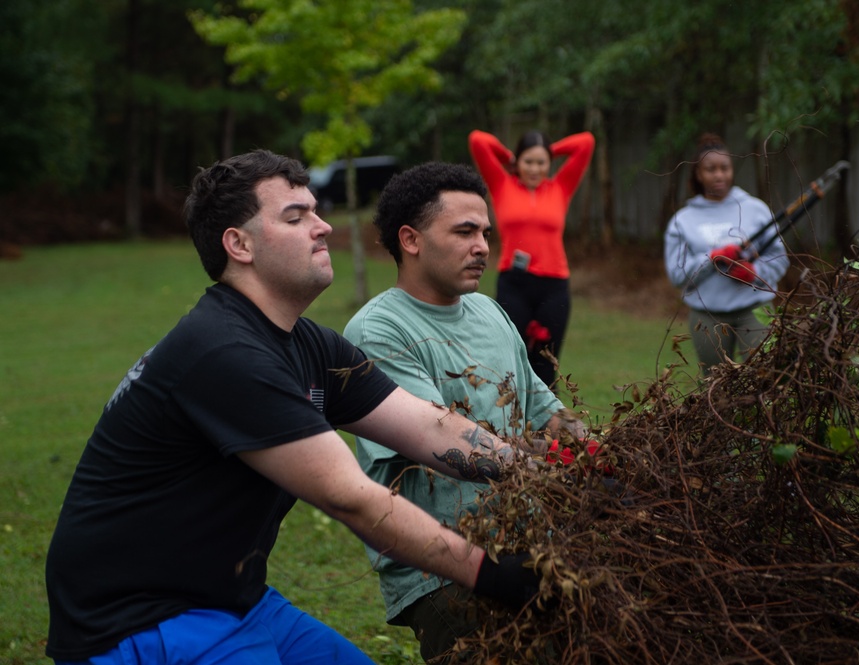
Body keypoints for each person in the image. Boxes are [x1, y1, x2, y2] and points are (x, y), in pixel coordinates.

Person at [44, 150, 545, 665]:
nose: (323, 227)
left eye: (315, 210)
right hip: (139, 622)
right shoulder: (223, 352)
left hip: (236, 599)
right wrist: (493, 574)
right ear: (239, 245)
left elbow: (430, 428)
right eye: (296, 216)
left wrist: (551, 478)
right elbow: (352, 499)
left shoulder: (311, 346)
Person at [343, 161, 587, 663]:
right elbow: (439, 436)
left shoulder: (490, 311)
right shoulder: (377, 331)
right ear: (410, 240)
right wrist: (544, 465)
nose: (483, 246)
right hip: (446, 567)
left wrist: (600, 451)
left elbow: (541, 407)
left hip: (528, 542)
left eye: (485, 232)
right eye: (464, 231)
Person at [468, 128, 595, 389]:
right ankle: (510, 425)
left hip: (554, 286)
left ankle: (549, 428)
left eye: (541, 162)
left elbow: (586, 142)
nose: (535, 169)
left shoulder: (560, 187)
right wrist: (508, 156)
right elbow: (478, 140)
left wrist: (550, 149)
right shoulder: (502, 185)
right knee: (511, 359)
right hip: (514, 285)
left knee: (547, 363)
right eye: (528, 161)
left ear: (549, 163)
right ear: (518, 163)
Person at [664, 133, 789, 374]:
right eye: (711, 169)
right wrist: (712, 258)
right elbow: (677, 275)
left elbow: (780, 258)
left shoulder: (755, 209)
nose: (719, 175)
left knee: (765, 378)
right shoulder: (683, 221)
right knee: (715, 387)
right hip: (707, 316)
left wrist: (754, 273)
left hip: (755, 309)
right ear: (698, 174)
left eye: (725, 168)